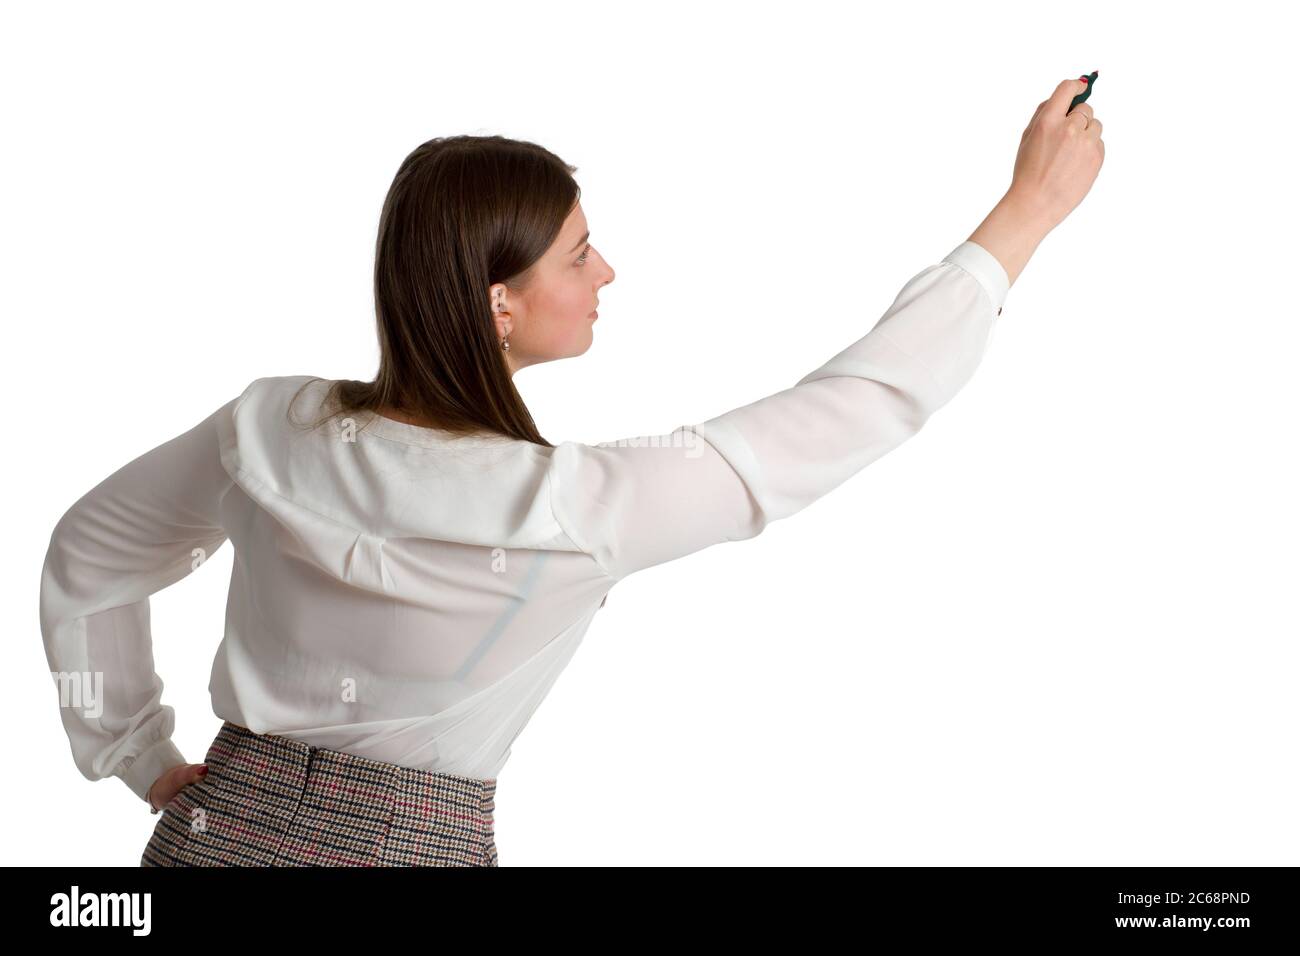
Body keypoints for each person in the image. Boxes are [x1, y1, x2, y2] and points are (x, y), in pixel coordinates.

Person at [38, 77, 1103, 866]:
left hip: (213, 834)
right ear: (498, 299)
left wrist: (135, 752)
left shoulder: (268, 423)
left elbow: (90, 554)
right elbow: (854, 406)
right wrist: (1025, 213)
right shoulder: (575, 509)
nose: (607, 272)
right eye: (577, 253)